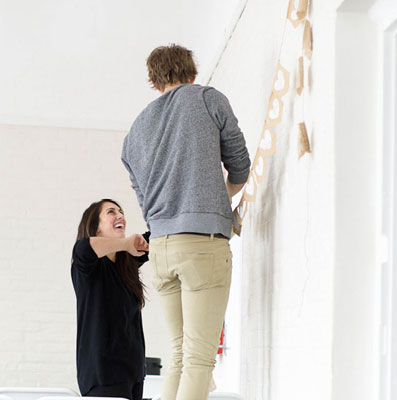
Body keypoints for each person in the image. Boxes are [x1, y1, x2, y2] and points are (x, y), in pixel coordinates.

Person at [121, 44, 251, 400]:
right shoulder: (208, 99)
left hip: (161, 249)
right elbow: (240, 165)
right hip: (201, 245)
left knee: (179, 354)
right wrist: (221, 199)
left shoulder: (135, 132)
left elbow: (145, 200)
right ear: (192, 72)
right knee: (199, 359)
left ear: (153, 81)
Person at [71, 199, 151, 399]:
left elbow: (157, 236)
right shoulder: (86, 264)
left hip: (134, 374)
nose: (120, 215)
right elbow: (85, 247)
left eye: (121, 211)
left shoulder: (126, 265)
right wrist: (127, 244)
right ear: (96, 227)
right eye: (111, 212)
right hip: (103, 374)